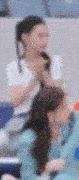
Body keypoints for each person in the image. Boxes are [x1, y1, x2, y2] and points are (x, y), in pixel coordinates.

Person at [3, 16, 63, 154]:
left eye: (47, 36)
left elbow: (59, 95)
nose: (45, 40)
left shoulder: (54, 62)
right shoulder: (14, 67)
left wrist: (45, 74)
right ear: (25, 37)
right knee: (10, 142)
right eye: (40, 36)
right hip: (24, 117)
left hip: (48, 117)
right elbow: (15, 101)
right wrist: (34, 79)